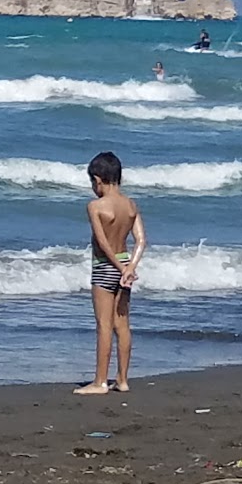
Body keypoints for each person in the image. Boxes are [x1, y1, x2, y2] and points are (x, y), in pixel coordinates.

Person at [75, 151, 147, 396]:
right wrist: (130, 267)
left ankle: (100, 382)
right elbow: (141, 241)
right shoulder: (130, 205)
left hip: (106, 266)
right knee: (123, 325)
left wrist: (119, 268)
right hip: (125, 264)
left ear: (97, 180)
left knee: (104, 325)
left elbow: (103, 243)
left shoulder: (95, 206)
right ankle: (123, 379)